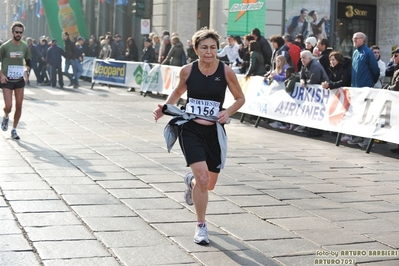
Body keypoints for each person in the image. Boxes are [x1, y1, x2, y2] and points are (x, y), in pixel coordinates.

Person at [152, 28, 245, 245]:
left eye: (213, 47)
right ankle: (201, 226)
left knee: (208, 184)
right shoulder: (187, 71)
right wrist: (164, 108)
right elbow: (177, 92)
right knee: (203, 180)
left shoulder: (225, 72)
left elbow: (240, 98)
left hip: (214, 132)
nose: (209, 52)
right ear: (196, 49)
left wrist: (227, 112)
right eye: (204, 47)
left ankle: (190, 181)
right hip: (190, 129)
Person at [347, 32, 380, 146]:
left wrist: (372, 82)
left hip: (365, 87)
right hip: (355, 88)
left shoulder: (368, 52)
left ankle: (366, 139)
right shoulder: (356, 52)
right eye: (353, 38)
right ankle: (357, 137)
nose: (354, 40)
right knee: (356, 113)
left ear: (363, 40)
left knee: (365, 114)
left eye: (357, 38)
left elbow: (375, 69)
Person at [0, 21, 31, 140]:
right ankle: (6, 115)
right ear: (12, 32)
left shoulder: (24, 46)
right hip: (6, 79)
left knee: (19, 105)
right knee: (9, 106)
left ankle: (14, 129)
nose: (18, 34)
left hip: (19, 79)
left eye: (21, 33)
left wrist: (26, 71)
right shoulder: (5, 47)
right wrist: (1, 75)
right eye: (16, 32)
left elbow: (28, 63)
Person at [300, 50, 329, 137]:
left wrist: (306, 82)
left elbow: (314, 80)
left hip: (321, 91)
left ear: (310, 58)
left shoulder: (315, 65)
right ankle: (311, 128)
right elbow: (302, 75)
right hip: (315, 91)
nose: (302, 60)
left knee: (318, 110)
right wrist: (302, 80)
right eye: (301, 58)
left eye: (304, 58)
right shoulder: (305, 65)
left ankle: (317, 130)